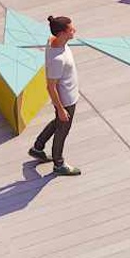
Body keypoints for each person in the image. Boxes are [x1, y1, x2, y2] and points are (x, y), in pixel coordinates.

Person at [28, 16, 85, 176]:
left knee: (58, 123)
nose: (74, 30)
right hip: (66, 100)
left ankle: (38, 147)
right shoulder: (57, 59)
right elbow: (50, 86)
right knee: (62, 130)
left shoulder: (52, 40)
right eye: (70, 29)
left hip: (69, 95)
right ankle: (58, 163)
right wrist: (60, 108)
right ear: (61, 34)